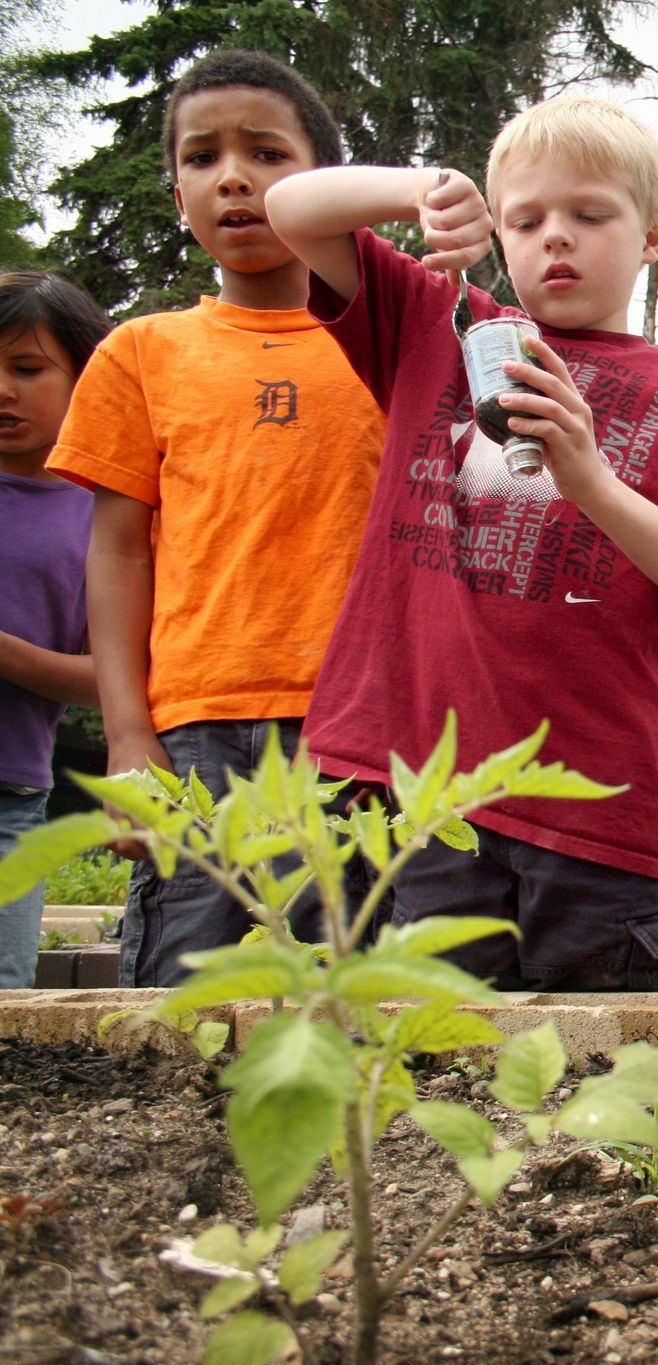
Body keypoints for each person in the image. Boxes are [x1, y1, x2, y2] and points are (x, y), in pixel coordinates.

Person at [266, 96, 658, 992]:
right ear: (497, 233)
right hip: (427, 801)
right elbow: (290, 211)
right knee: (440, 1068)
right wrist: (423, 187)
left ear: (653, 235)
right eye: (527, 219)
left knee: (611, 1074)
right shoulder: (445, 327)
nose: (557, 240)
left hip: (596, 808)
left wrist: (590, 479)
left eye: (591, 214)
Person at [47, 50, 384, 988]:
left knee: (337, 1005)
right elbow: (115, 551)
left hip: (345, 728)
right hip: (188, 735)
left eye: (267, 153)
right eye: (202, 158)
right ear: (177, 194)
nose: (232, 176)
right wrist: (126, 738)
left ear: (327, 187)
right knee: (175, 1003)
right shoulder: (142, 353)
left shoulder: (384, 346)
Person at [0, 272, 112, 989]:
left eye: (27, 368)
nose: (3, 389)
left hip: (11, 797)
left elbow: (112, 676)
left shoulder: (105, 514)